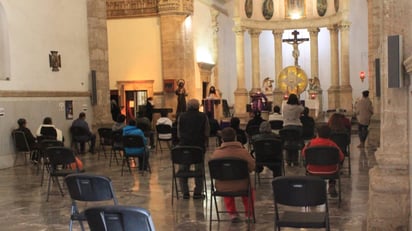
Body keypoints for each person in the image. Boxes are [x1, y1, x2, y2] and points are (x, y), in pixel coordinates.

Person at [210, 127, 256, 223]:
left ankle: (232, 213)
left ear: (222, 139)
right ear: (235, 138)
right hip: (242, 185)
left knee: (226, 180)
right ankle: (249, 214)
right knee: (248, 187)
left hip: (222, 187)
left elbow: (214, 171)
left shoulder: (216, 153)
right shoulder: (243, 152)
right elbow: (252, 167)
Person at [177, 98, 210, 199]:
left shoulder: (181, 116)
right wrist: (206, 143)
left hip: (184, 147)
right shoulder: (203, 116)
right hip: (198, 147)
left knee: (183, 170)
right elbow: (207, 131)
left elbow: (178, 132)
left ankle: (185, 192)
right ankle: (197, 192)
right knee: (199, 169)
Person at [301, 125, 344, 198]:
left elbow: (303, 154)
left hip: (313, 170)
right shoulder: (332, 144)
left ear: (317, 134)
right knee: (335, 166)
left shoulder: (311, 143)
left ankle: (313, 187)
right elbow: (341, 157)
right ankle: (332, 184)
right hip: (331, 171)